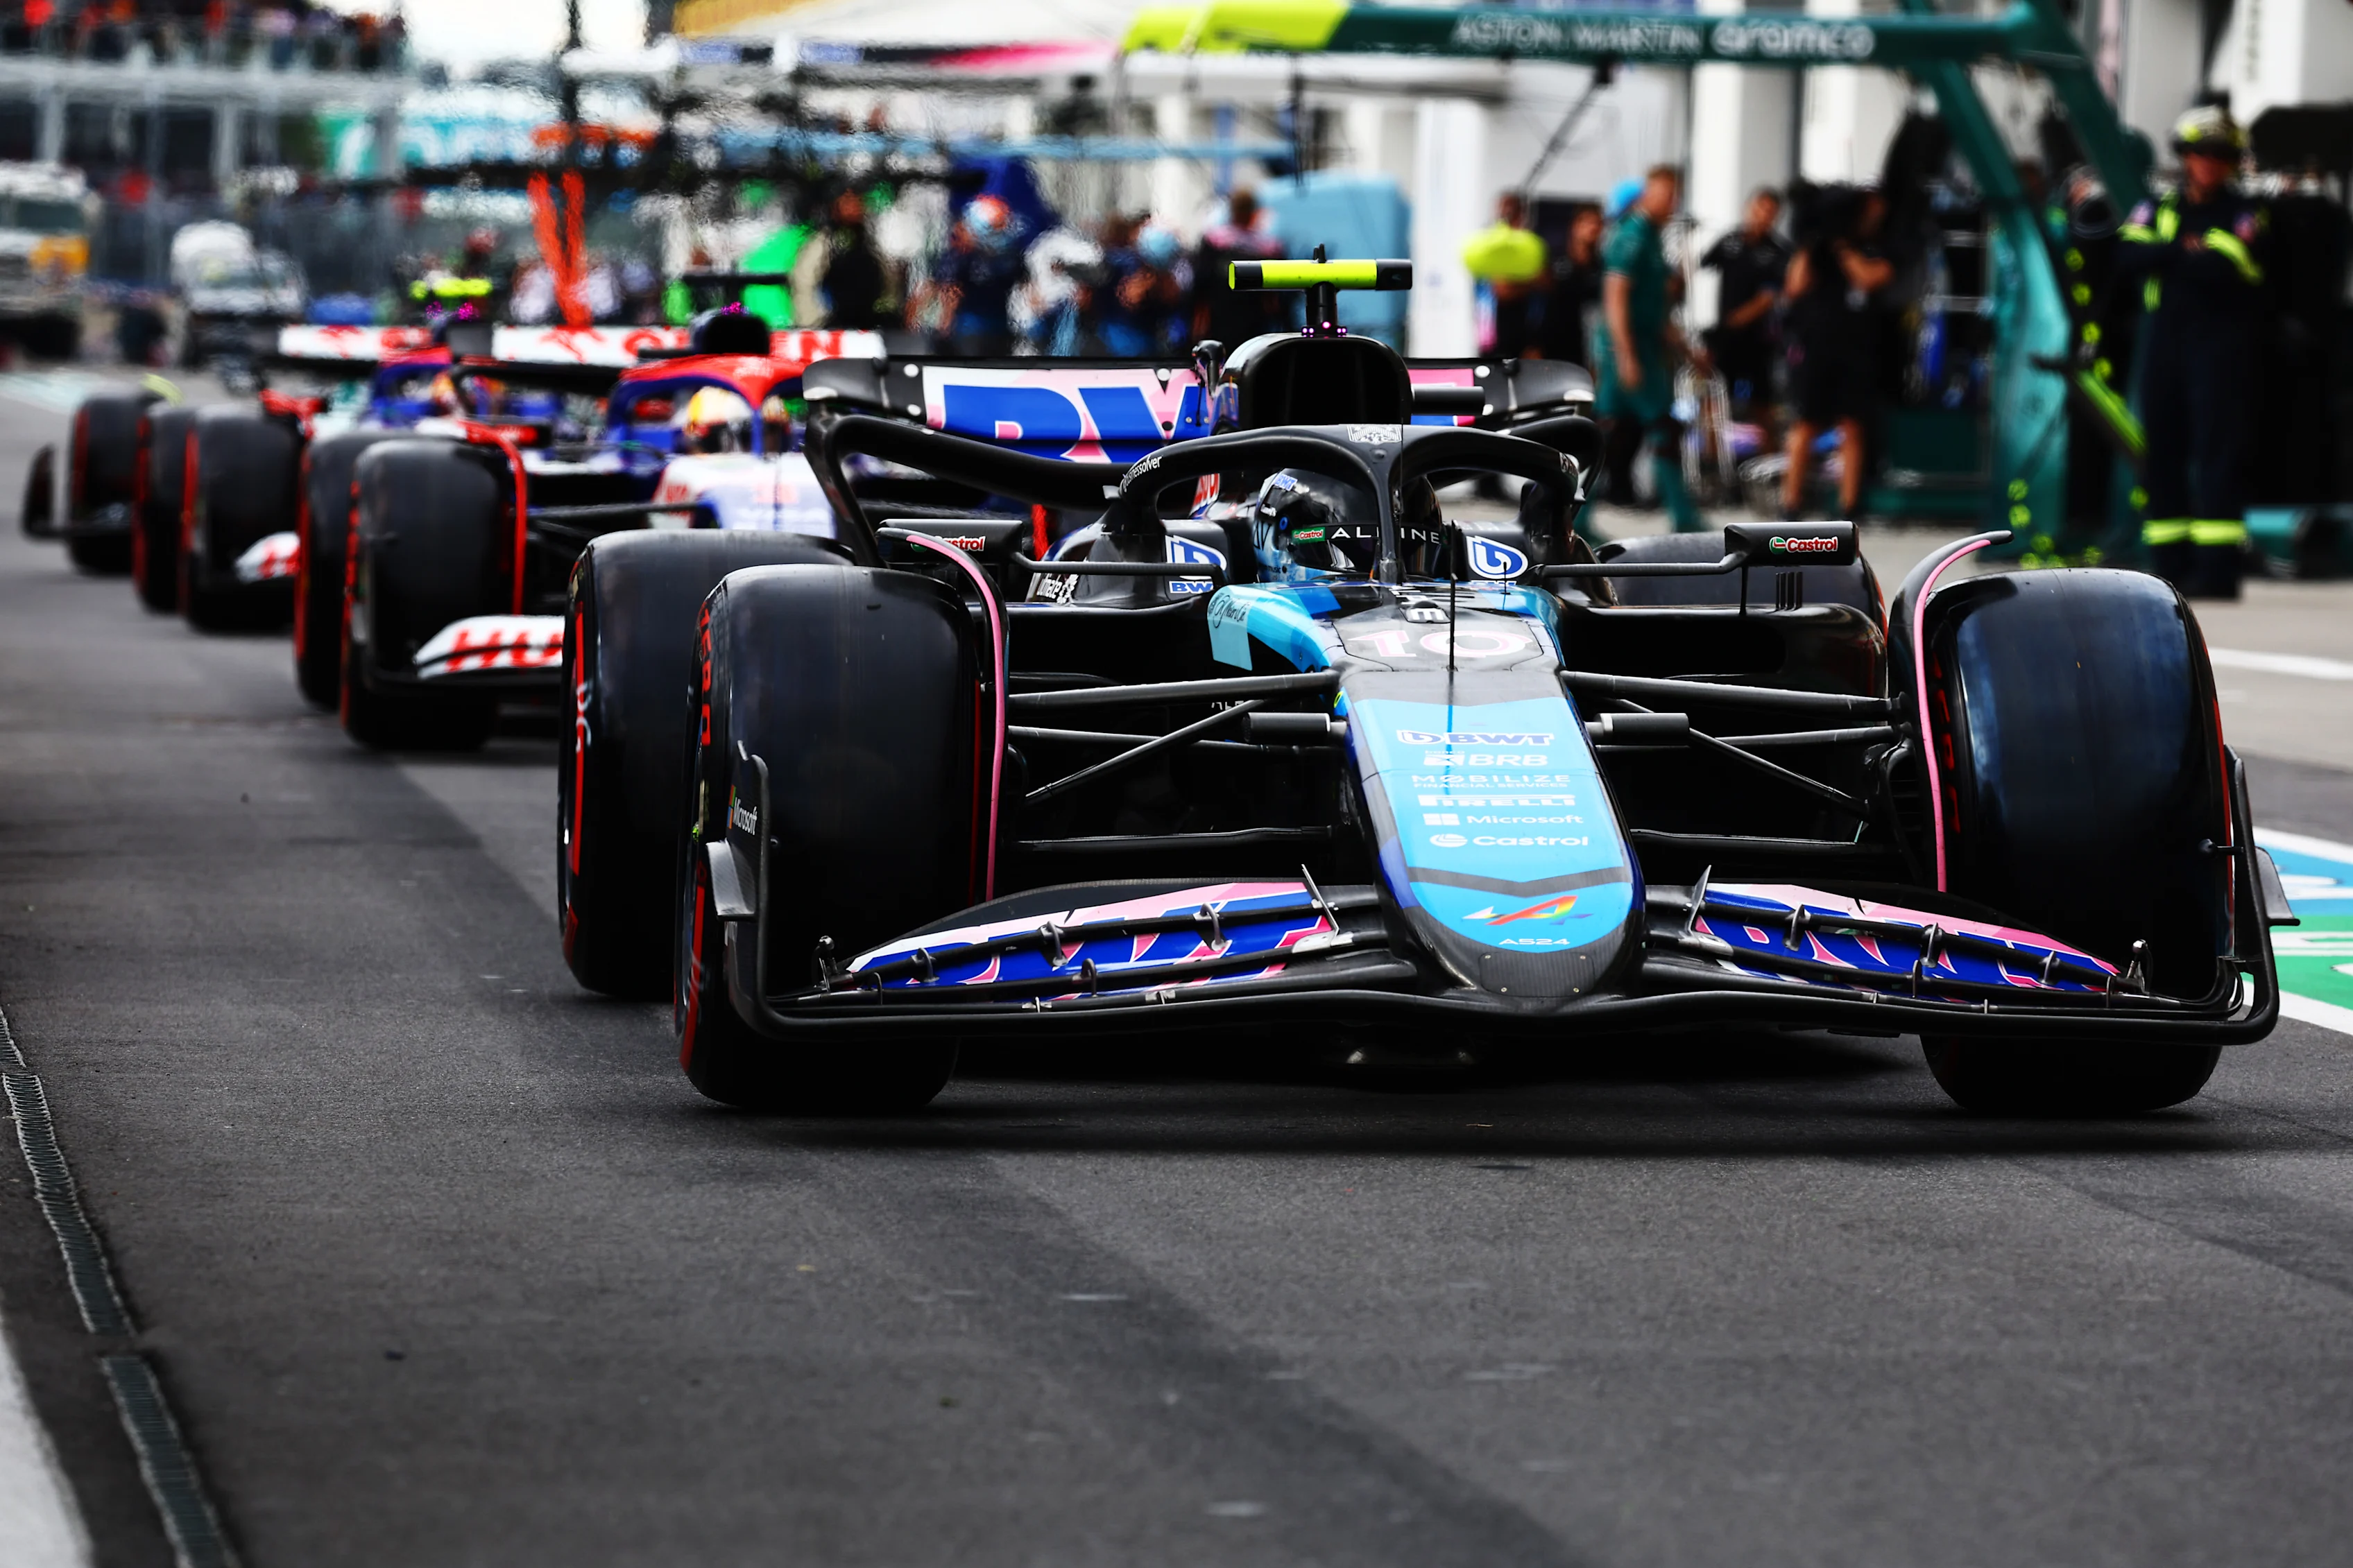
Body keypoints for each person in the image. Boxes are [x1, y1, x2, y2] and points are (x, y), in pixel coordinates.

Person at [2115, 105, 2267, 599]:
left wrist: (2170, 252)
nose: (2210, 163)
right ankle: (2168, 567)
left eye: (2222, 155)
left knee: (2215, 455)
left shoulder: (2244, 213)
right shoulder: (2158, 206)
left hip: (2219, 348)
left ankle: (2217, 571)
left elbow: (2231, 265)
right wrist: (2189, 249)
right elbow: (2128, 256)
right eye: (2202, 153)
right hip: (2165, 345)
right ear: (2184, 156)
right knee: (2162, 453)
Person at [1592, 165, 1702, 532]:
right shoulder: (1632, 236)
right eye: (1665, 194)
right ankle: (1683, 518)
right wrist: (1624, 355)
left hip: (1646, 349)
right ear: (1647, 195)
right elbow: (1616, 299)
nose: (1672, 202)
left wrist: (1687, 350)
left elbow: (1655, 308)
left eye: (1675, 195)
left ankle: (1577, 517)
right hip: (1629, 350)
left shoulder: (1654, 238)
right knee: (1653, 428)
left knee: (1610, 433)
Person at [1780, 186, 1894, 520]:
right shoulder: (1816, 250)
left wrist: (1844, 247)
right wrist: (1811, 243)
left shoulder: (1876, 247)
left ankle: (1849, 505)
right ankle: (1791, 504)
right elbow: (1795, 287)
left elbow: (1869, 280)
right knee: (1805, 424)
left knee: (1853, 426)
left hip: (1856, 349)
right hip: (1816, 347)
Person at [1699, 187, 1790, 413]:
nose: (1763, 216)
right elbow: (1700, 273)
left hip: (1757, 339)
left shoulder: (1778, 252)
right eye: (1760, 209)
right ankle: (1712, 448)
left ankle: (1766, 447)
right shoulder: (1729, 242)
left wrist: (1738, 320)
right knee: (1714, 396)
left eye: (1770, 212)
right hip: (1723, 335)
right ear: (1748, 209)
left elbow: (1769, 297)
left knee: (1761, 400)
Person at [912, 196, 1026, 354]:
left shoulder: (964, 256)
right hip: (993, 326)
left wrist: (945, 323)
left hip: (972, 329)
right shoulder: (1009, 257)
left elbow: (951, 291)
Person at [1192, 188, 1286, 350]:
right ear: (1254, 212)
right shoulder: (1267, 246)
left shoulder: (1214, 241)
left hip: (1221, 314)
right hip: (1254, 318)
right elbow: (1276, 292)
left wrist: (1198, 317)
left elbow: (1201, 281)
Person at [1462, 192, 1546, 357]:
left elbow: (1547, 282)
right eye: (1505, 212)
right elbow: (1503, 290)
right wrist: (1531, 282)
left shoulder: (1529, 246)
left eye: (1514, 212)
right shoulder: (1490, 245)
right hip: (1496, 335)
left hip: (1527, 331)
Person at [1531, 205, 1603, 367]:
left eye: (1597, 224)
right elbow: (1540, 306)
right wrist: (1534, 344)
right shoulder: (1556, 262)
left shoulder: (1602, 267)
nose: (1593, 229)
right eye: (1587, 223)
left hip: (1587, 348)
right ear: (1575, 226)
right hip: (1554, 346)